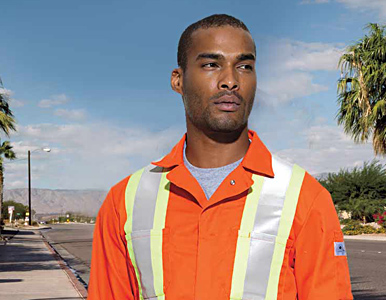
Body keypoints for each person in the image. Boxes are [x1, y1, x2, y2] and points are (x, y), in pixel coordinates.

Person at [87, 14, 353, 300]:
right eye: (211, 65)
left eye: (245, 66)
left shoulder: (305, 198)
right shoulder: (124, 202)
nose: (230, 80)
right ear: (178, 80)